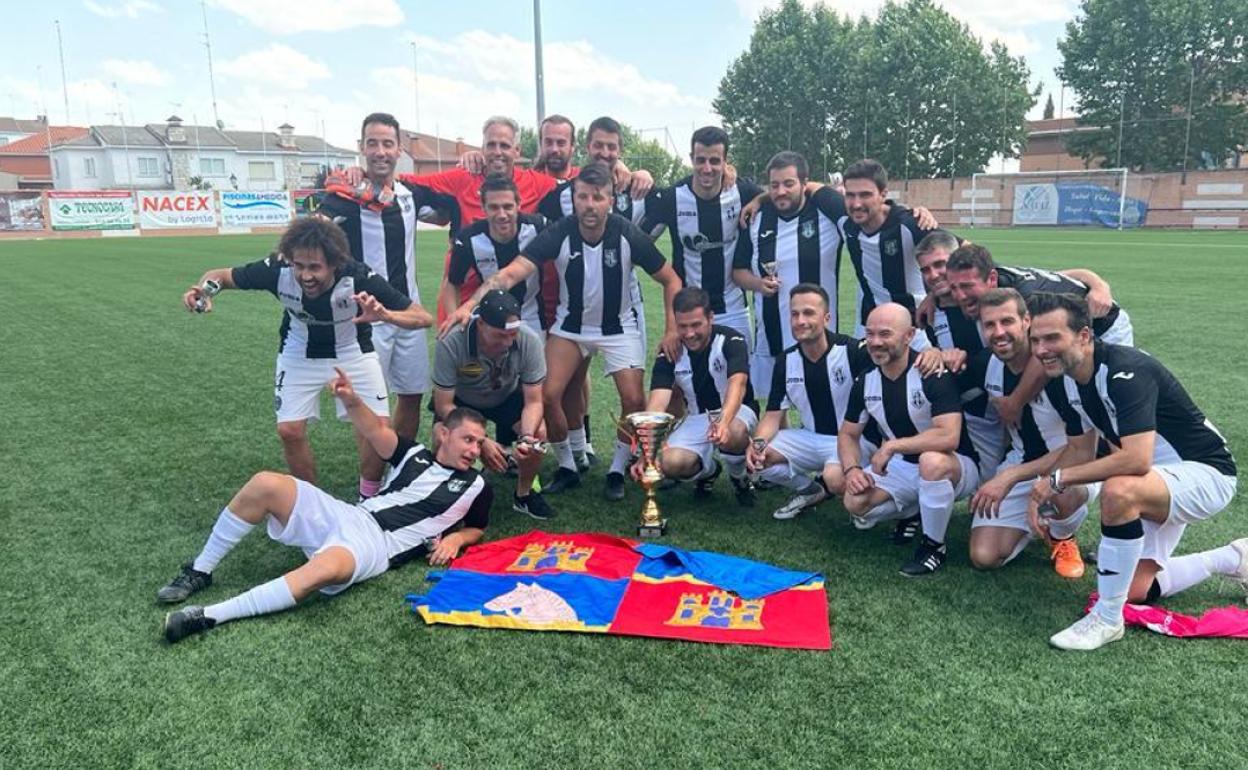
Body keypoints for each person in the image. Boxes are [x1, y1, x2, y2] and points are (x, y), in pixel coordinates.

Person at [156, 374, 493, 644]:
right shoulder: (413, 453)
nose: (474, 449)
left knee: (323, 570)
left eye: (479, 443)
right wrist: (351, 400)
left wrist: (457, 539)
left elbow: (477, 527)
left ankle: (211, 615)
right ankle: (200, 570)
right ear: (445, 434)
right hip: (350, 514)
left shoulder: (478, 485)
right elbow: (375, 430)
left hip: (376, 547)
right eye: (468, 439)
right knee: (266, 484)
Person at [444, 162, 683, 502]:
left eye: (597, 197)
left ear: (610, 200)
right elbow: (510, 274)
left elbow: (671, 279)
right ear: (574, 199)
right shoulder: (559, 231)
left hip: (619, 328)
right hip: (571, 327)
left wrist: (672, 329)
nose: (589, 204)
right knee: (548, 394)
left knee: (633, 400)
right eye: (582, 196)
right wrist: (469, 305)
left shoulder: (627, 233)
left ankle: (616, 470)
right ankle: (568, 466)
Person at [1026, 293, 1243, 651]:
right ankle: (1234, 557)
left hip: (1206, 473)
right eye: (1035, 339)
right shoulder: (1062, 380)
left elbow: (1136, 460)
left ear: (1083, 336)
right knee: (1134, 592)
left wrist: (1057, 479)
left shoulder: (1126, 370)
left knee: (1119, 489)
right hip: (1156, 481)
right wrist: (1043, 489)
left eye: (1052, 338)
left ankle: (1107, 620)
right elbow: (1079, 451)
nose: (1041, 349)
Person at [182, 217, 432, 489]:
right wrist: (205, 292)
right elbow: (220, 276)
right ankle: (311, 503)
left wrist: (386, 315)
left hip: (352, 353)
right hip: (298, 353)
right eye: (299, 266)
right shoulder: (276, 269)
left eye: (315, 267)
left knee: (378, 430)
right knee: (289, 431)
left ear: (335, 263)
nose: (305, 276)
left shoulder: (357, 275)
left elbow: (422, 317)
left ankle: (369, 497)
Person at [318, 112, 452, 452]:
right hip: (362, 316)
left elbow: (446, 214)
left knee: (410, 394)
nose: (380, 151)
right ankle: (372, 479)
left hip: (407, 311)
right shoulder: (342, 195)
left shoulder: (410, 195)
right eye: (373, 143)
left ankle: (399, 465)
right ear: (361, 148)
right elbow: (312, 234)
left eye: (387, 144)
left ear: (398, 150)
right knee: (368, 404)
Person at [536, 116, 658, 473]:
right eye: (598, 145)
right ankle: (577, 451)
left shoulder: (637, 192)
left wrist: (645, 174)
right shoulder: (561, 196)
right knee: (569, 379)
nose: (605, 153)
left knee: (634, 390)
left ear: (620, 151)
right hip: (572, 303)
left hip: (622, 305)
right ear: (586, 148)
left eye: (612, 147)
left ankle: (624, 461)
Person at [839, 303, 981, 576]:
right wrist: (852, 469)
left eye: (885, 334)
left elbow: (948, 436)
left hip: (956, 464)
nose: (875, 342)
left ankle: (933, 546)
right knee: (855, 503)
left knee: (930, 462)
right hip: (904, 466)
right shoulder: (866, 380)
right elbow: (848, 433)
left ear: (909, 336)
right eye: (870, 334)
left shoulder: (931, 373)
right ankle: (914, 512)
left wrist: (892, 445)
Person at [962, 288, 1093, 577]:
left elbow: (1083, 447)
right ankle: (1042, 525)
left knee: (1059, 489)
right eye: (989, 325)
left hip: (1075, 463)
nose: (999, 332)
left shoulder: (1059, 368)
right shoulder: (985, 365)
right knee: (984, 556)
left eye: (1007, 321)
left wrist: (1010, 476)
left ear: (1026, 321)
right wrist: (938, 355)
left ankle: (1063, 536)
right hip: (1023, 460)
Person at [944, 242, 1131, 426]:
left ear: (991, 279)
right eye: (953, 288)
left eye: (967, 286)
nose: (959, 296)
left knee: (1100, 393)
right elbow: (1057, 276)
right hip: (1067, 326)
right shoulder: (994, 275)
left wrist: (1015, 402)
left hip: (1104, 324)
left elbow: (1041, 354)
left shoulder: (1026, 298)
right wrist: (932, 298)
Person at [747, 284, 877, 520]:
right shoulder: (786, 360)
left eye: (808, 313)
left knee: (835, 478)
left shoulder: (852, 351)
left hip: (853, 440)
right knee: (761, 459)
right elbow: (773, 415)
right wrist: (756, 445)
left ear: (826, 318)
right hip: (811, 437)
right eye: (795, 314)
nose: (800, 321)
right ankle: (810, 490)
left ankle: (866, 502)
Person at [732, 151, 847, 403]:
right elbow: (738, 271)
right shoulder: (756, 220)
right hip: (771, 330)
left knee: (822, 402)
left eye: (789, 183)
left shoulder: (826, 213)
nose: (781, 191)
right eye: (774, 185)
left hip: (819, 332)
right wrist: (758, 285)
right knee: (776, 403)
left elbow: (869, 214)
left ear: (805, 184)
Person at [432, 290, 553, 520]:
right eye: (499, 335)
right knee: (441, 435)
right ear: (480, 325)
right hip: (463, 403)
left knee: (538, 433)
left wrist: (526, 437)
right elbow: (443, 405)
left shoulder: (529, 340)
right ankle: (450, 495)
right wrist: (480, 440)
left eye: (512, 334)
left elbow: (534, 401)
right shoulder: (451, 341)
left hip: (505, 397)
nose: (508, 342)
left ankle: (524, 495)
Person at [633, 286, 756, 506]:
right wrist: (647, 448)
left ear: (710, 317)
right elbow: (657, 403)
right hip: (696, 417)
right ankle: (709, 471)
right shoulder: (670, 352)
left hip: (736, 411)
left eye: (696, 325)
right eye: (683, 326)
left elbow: (738, 383)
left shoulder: (731, 339)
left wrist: (724, 422)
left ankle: (739, 478)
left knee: (734, 433)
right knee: (669, 464)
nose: (689, 333)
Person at [638, 126, 761, 342]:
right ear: (691, 158)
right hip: (688, 313)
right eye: (700, 160)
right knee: (684, 376)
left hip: (733, 311)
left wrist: (760, 200)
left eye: (714, 161)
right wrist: (666, 273)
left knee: (741, 375)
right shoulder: (672, 197)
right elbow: (640, 243)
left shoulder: (742, 192)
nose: (707, 168)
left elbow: (781, 195)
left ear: (725, 161)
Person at [840, 159, 938, 349]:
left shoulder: (911, 224)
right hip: (869, 327)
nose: (856, 203)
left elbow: (967, 253)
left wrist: (935, 294)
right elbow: (806, 185)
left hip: (914, 329)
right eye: (850, 195)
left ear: (883, 194)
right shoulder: (845, 222)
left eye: (865, 195)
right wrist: (761, 199)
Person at [441, 174, 548, 333]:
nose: (502, 215)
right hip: (490, 320)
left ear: (519, 204)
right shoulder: (469, 239)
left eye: (508, 207)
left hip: (531, 319)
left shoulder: (537, 227)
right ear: (483, 207)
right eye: (494, 207)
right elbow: (452, 282)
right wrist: (454, 318)